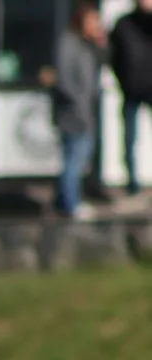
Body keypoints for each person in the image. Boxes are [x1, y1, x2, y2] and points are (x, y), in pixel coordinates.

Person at [52, 2, 107, 220]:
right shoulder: (67, 43)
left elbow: (104, 63)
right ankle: (70, 203)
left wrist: (100, 43)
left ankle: (62, 200)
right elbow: (64, 79)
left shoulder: (87, 45)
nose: (95, 25)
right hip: (72, 113)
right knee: (73, 158)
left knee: (78, 157)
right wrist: (78, 103)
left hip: (86, 112)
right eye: (92, 20)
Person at [110, 0, 152, 195]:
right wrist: (123, 80)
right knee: (129, 138)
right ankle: (132, 182)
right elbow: (113, 56)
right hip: (131, 89)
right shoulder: (124, 24)